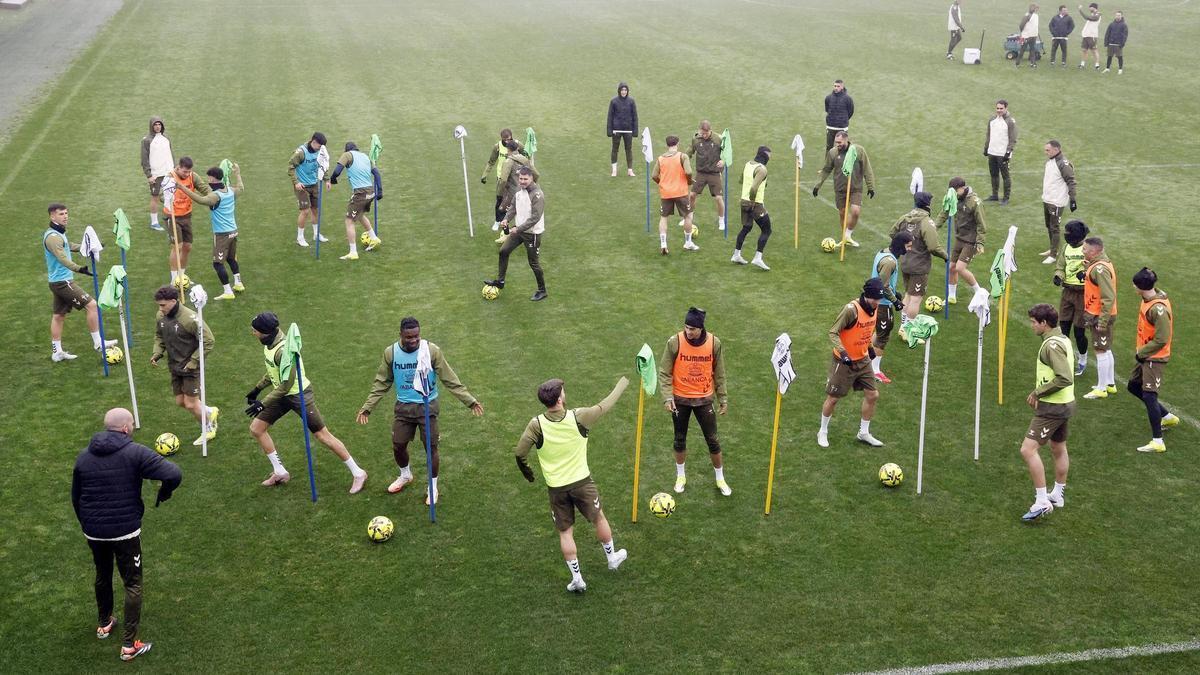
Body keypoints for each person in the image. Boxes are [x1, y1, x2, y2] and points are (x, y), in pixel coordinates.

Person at [72, 407, 182, 662]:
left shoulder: (84, 456)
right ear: (125, 428)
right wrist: (164, 493)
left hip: (94, 531)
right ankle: (129, 645)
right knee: (132, 583)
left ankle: (104, 623)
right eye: (131, 423)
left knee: (102, 574)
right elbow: (173, 473)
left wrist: (86, 523)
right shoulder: (136, 452)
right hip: (125, 532)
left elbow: (75, 496)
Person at [515, 376, 630, 593]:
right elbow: (605, 405)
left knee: (565, 532)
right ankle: (612, 558)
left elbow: (520, 453)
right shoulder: (579, 417)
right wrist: (622, 384)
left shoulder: (536, 424)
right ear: (559, 399)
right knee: (599, 518)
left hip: (556, 488)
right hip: (582, 483)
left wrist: (526, 471)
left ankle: (577, 578)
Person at [357, 316, 484, 504]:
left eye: (416, 336)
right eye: (409, 337)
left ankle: (432, 487)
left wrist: (470, 401)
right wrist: (367, 407)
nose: (413, 340)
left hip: (428, 407)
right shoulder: (391, 353)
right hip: (404, 408)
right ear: (400, 334)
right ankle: (405, 475)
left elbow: (449, 378)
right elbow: (382, 382)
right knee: (398, 445)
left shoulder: (431, 351)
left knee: (431, 448)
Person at [245, 312, 368, 493]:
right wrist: (257, 389)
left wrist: (262, 403)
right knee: (256, 428)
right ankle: (280, 471)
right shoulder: (269, 345)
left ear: (266, 332)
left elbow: (286, 385)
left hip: (298, 395)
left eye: (255, 331)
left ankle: (358, 473)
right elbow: (272, 371)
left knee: (322, 435)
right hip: (281, 395)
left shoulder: (284, 351)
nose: (253, 333)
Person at [658, 307, 731, 496]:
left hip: (704, 399)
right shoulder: (675, 342)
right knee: (679, 439)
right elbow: (664, 372)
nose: (688, 332)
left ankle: (720, 478)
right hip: (680, 400)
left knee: (713, 440)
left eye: (692, 328)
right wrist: (668, 397)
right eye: (686, 327)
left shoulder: (715, 343)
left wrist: (722, 398)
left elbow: (720, 373)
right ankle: (680, 476)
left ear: (701, 328)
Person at [1018, 303, 1074, 522]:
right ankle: (1057, 495)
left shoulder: (1050, 346)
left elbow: (1064, 377)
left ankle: (1042, 501)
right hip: (1065, 403)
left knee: (1027, 450)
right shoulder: (1063, 339)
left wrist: (1038, 392)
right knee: (1058, 447)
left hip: (1052, 407)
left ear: (1044, 323)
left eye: (1034, 322)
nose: (1031, 325)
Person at [42, 203, 117, 361]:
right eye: (61, 214)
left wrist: (88, 247)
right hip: (63, 282)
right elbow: (62, 257)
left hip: (57, 281)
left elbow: (68, 246)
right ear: (52, 216)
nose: (65, 216)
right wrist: (79, 269)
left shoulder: (57, 233)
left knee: (58, 316)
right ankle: (98, 343)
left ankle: (57, 352)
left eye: (66, 213)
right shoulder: (53, 238)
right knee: (92, 305)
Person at [819, 278, 887, 448]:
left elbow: (865, 330)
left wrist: (869, 347)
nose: (877, 302)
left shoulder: (875, 307)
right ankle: (823, 431)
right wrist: (843, 353)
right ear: (867, 295)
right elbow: (833, 332)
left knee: (873, 395)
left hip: (862, 360)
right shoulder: (851, 310)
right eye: (875, 299)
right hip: (844, 362)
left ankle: (863, 433)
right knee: (833, 399)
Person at [150, 286, 218, 446]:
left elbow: (209, 341)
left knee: (191, 403)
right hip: (174, 366)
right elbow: (159, 336)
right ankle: (209, 411)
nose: (160, 309)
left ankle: (209, 428)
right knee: (181, 402)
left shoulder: (190, 319)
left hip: (190, 369)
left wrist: (194, 362)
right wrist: (157, 353)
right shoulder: (161, 316)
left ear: (174, 301)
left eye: (163, 305)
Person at [1128, 268, 1181, 453]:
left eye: (1135, 284)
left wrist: (1142, 352)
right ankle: (1166, 416)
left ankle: (1158, 441)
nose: (1133, 286)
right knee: (1134, 386)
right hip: (1145, 354)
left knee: (1150, 395)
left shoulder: (1158, 308)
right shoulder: (1150, 298)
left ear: (1140, 287)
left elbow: (1162, 338)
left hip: (1153, 357)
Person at [174, 164, 245, 300]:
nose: (208, 180)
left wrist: (182, 188)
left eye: (209, 178)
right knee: (231, 258)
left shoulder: (215, 196)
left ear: (213, 179)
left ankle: (228, 291)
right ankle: (238, 283)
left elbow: (201, 200)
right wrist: (237, 173)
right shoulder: (231, 191)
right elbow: (241, 187)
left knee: (217, 263)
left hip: (222, 234)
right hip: (233, 231)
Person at [485, 166, 548, 301]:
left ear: (531, 178)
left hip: (532, 234)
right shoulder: (520, 191)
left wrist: (517, 229)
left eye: (525, 179)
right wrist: (506, 219)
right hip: (519, 230)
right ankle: (500, 282)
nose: (523, 181)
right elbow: (513, 207)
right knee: (503, 251)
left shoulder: (537, 195)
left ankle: (542, 291)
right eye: (521, 179)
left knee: (533, 263)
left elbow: (535, 218)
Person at [889, 191, 947, 339]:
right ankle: (910, 332)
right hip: (919, 266)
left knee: (908, 295)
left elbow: (892, 233)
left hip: (905, 263)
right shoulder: (926, 222)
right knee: (916, 299)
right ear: (927, 204)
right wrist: (946, 257)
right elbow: (933, 247)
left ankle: (903, 327)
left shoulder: (904, 218)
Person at [812, 131, 875, 247]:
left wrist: (871, 186)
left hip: (855, 188)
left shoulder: (859, 151)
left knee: (855, 211)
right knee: (842, 213)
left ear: (846, 140)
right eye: (836, 142)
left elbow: (867, 168)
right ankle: (845, 238)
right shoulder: (833, 153)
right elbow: (826, 169)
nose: (837, 145)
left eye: (840, 142)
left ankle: (848, 234)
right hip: (840, 188)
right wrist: (817, 186)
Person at [935, 176, 988, 305]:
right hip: (960, 238)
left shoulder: (975, 202)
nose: (953, 193)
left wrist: (980, 242)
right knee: (951, 267)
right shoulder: (954, 198)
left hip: (971, 241)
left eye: (955, 191)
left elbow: (982, 224)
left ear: (962, 188)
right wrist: (935, 227)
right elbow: (945, 212)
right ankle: (951, 296)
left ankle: (980, 292)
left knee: (960, 268)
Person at [326, 141, 382, 261]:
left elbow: (337, 171)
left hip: (360, 193)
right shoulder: (366, 156)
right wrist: (380, 190)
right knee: (360, 215)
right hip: (371, 192)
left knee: (349, 221)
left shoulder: (347, 155)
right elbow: (377, 173)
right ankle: (373, 237)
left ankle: (353, 252)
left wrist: (333, 179)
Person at [870, 232, 913, 384]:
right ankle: (874, 370)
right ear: (901, 245)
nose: (909, 249)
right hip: (882, 303)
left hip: (876, 300)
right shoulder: (890, 262)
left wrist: (896, 293)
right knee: (883, 335)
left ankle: (865, 358)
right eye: (908, 246)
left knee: (877, 332)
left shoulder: (883, 252)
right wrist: (895, 301)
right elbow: (883, 285)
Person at [1080, 236, 1118, 399]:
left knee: (1100, 350)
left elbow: (1108, 296)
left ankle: (1101, 389)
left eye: (1085, 249)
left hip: (1099, 314)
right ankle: (1110, 384)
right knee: (1105, 348)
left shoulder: (1099, 269)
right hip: (1100, 313)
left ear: (1095, 252)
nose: (1083, 251)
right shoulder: (1100, 264)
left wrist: (1102, 320)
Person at [163, 157, 210, 285]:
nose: (187, 174)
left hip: (186, 216)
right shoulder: (169, 178)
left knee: (187, 247)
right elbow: (163, 196)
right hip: (172, 216)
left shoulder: (193, 176)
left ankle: (182, 276)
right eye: (184, 172)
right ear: (178, 167)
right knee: (177, 247)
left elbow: (204, 189)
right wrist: (167, 198)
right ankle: (174, 279)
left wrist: (214, 196)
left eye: (189, 172)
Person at [1053, 219, 1091, 376]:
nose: (1067, 236)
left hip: (1083, 294)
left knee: (1079, 332)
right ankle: (1065, 360)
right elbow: (1061, 266)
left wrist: (1087, 274)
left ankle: (1083, 359)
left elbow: (1098, 267)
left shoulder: (1088, 249)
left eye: (1069, 233)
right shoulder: (1066, 248)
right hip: (1067, 293)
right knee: (1063, 328)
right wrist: (1058, 276)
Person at [651, 135, 696, 255]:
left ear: (667, 145)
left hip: (665, 193)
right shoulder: (682, 156)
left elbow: (654, 175)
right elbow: (689, 171)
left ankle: (663, 244)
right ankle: (688, 242)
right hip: (680, 192)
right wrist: (689, 181)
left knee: (664, 218)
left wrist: (662, 183)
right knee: (687, 216)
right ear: (678, 143)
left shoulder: (660, 159)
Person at [731, 145, 772, 270]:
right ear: (765, 156)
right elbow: (754, 188)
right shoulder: (762, 170)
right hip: (755, 204)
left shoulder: (748, 164)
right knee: (767, 230)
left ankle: (736, 255)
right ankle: (757, 258)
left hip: (743, 202)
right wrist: (753, 201)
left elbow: (741, 180)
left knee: (746, 227)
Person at [287, 132, 331, 247]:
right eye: (319, 146)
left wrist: (326, 180)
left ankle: (316, 234)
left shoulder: (320, 151)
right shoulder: (301, 153)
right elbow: (290, 167)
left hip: (314, 184)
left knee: (315, 209)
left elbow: (323, 165)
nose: (320, 149)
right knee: (305, 211)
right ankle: (300, 238)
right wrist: (296, 182)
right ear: (314, 142)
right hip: (302, 187)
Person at [493, 138, 538, 243]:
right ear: (517, 148)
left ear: (508, 149)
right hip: (526, 192)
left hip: (512, 193)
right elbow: (536, 174)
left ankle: (506, 234)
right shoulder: (525, 159)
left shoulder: (508, 161)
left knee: (503, 211)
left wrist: (499, 195)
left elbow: (503, 180)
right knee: (524, 213)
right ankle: (528, 233)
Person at [1040, 140, 1077, 264]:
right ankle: (1052, 249)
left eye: (1048, 150)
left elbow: (1071, 181)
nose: (1046, 152)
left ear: (1056, 150)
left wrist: (1072, 199)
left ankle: (1053, 255)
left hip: (1056, 201)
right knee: (1048, 225)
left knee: (1054, 227)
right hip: (1047, 199)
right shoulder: (1050, 162)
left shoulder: (1063, 164)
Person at [686, 121, 726, 231]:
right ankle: (689, 217)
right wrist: (683, 160)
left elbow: (727, 153)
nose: (704, 135)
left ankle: (721, 220)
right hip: (701, 173)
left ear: (710, 130)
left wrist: (724, 161)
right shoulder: (696, 139)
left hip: (714, 173)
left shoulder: (719, 139)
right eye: (702, 133)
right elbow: (689, 152)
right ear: (699, 130)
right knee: (692, 195)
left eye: (706, 133)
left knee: (718, 198)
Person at [481, 129, 524, 230]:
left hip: (515, 179)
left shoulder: (518, 144)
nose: (507, 142)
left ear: (512, 137)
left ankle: (518, 223)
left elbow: (526, 156)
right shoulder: (497, 146)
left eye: (509, 140)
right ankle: (497, 221)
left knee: (518, 200)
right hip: (501, 178)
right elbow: (491, 161)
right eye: (505, 140)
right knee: (500, 200)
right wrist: (485, 174)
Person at [140, 117, 173, 232]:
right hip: (156, 174)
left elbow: (170, 154)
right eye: (155, 124)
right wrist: (149, 175)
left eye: (159, 124)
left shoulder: (166, 138)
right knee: (155, 197)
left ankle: (169, 218)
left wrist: (174, 170)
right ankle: (154, 222)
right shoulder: (146, 140)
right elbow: (144, 160)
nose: (157, 126)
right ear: (151, 126)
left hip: (169, 173)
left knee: (170, 195)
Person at [983, 100, 1017, 204]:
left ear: (1006, 108)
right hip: (992, 152)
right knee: (993, 174)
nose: (999, 110)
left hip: (1003, 154)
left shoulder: (1010, 121)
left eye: (1001, 108)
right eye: (997, 108)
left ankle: (1006, 198)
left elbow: (1013, 138)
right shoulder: (992, 120)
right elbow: (989, 135)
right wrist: (986, 148)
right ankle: (994, 195)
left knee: (1005, 176)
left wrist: (1008, 152)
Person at [605, 83, 638, 177]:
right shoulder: (614, 101)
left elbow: (635, 116)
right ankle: (614, 170)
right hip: (616, 130)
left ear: (627, 91)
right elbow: (610, 116)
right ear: (619, 91)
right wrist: (609, 130)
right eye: (622, 90)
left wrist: (635, 131)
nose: (624, 92)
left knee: (629, 149)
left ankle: (630, 170)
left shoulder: (631, 101)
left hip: (628, 130)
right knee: (615, 149)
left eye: (625, 90)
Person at [823, 80, 854, 152]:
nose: (836, 88)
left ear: (842, 87)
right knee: (829, 147)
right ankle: (829, 163)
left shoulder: (848, 99)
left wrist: (843, 119)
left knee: (843, 147)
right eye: (835, 86)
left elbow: (850, 112)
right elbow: (827, 110)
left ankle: (843, 163)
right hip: (830, 127)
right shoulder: (828, 98)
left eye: (838, 86)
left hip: (842, 127)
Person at [1077, 3, 1102, 70]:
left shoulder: (1098, 14)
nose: (1089, 9)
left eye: (1090, 7)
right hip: (1086, 35)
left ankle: (1097, 65)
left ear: (1094, 7)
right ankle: (1082, 64)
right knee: (1084, 50)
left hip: (1092, 35)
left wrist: (1080, 10)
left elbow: (1088, 18)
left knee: (1094, 50)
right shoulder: (1092, 14)